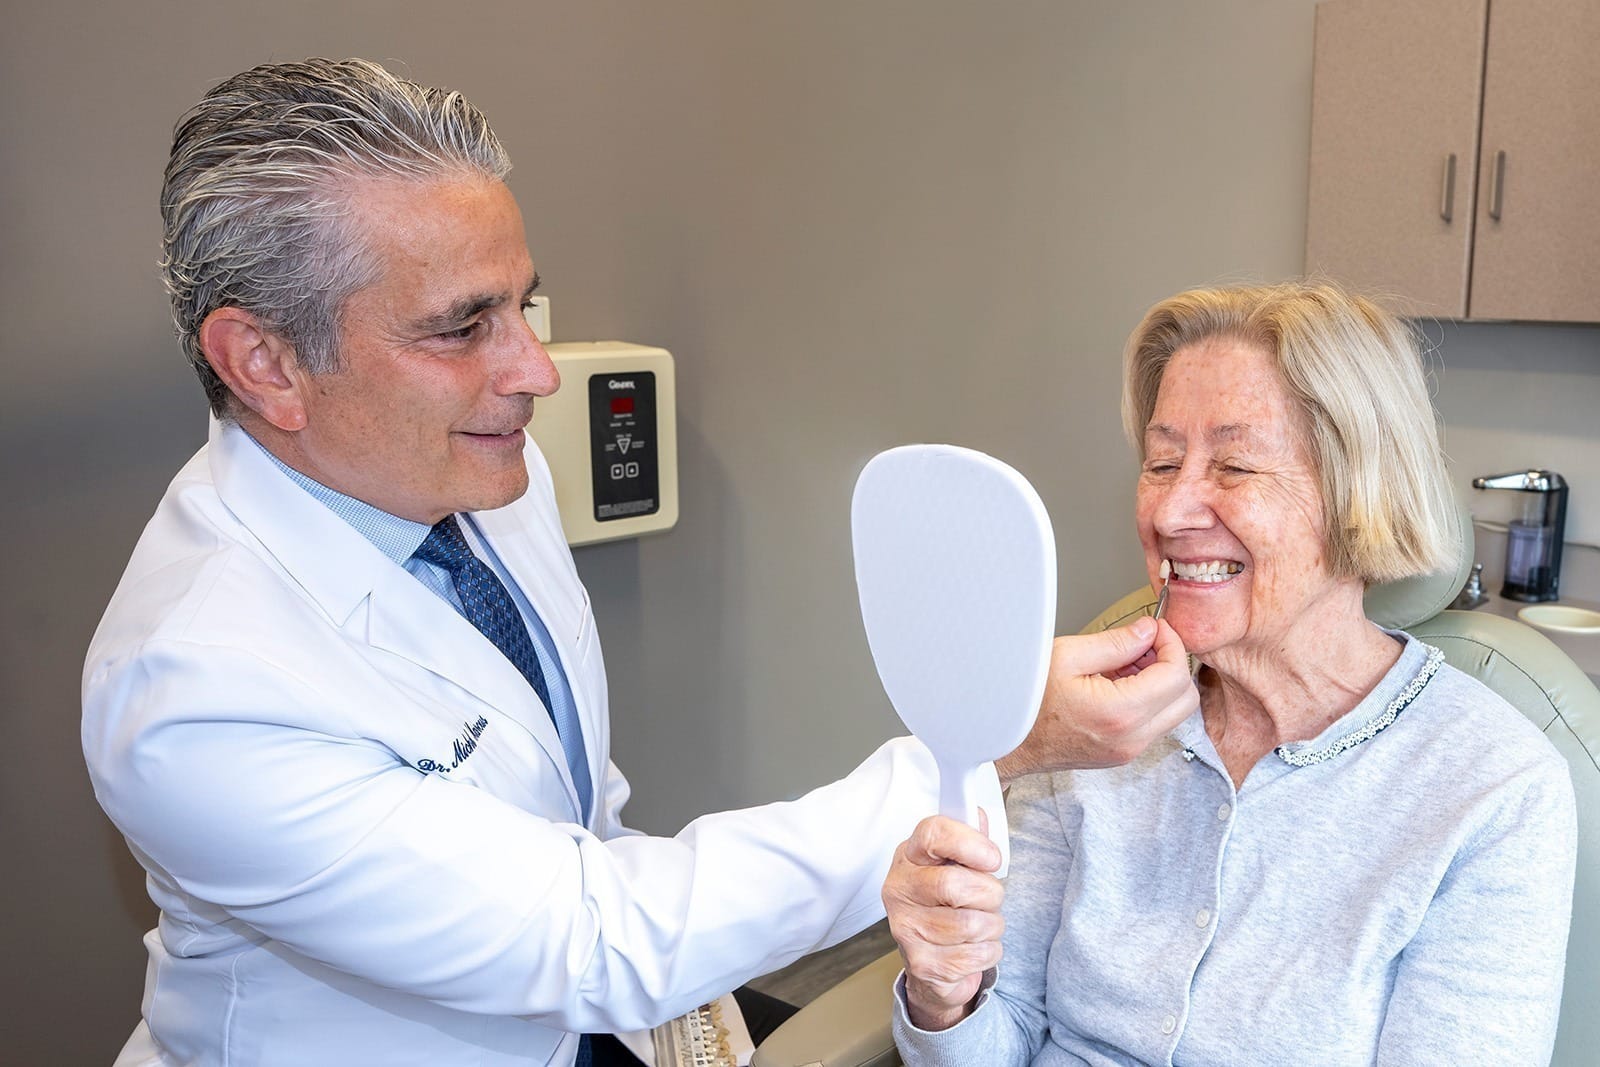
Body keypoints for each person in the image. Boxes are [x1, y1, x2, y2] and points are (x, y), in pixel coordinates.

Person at [80, 59, 1199, 1067]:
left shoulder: (479, 473)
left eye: (523, 304)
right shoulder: (194, 692)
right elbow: (589, 933)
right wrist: (989, 743)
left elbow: (575, 811)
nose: (533, 369)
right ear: (264, 360)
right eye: (462, 326)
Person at [884, 283, 1579, 1065]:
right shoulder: (1096, 721)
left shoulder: (1492, 789)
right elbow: (999, 1035)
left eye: (1236, 465)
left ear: (1360, 494)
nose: (1172, 510)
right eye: (1162, 460)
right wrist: (946, 996)